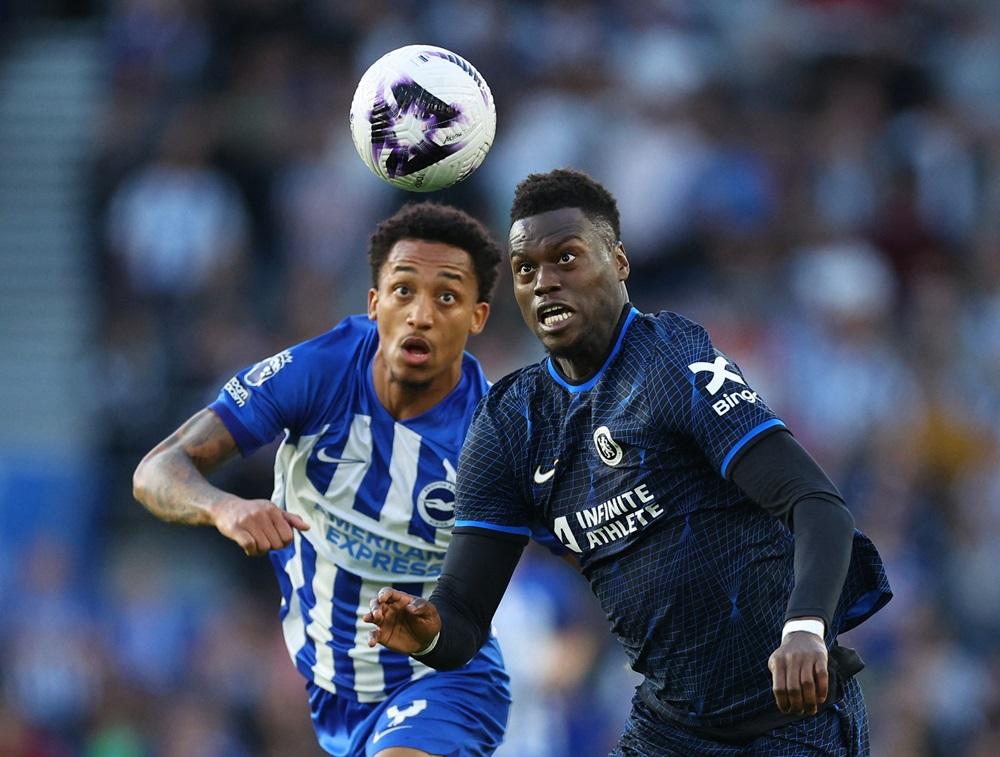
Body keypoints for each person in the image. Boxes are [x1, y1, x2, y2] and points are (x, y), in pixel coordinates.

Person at [365, 169, 892, 756]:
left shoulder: (671, 363)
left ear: (618, 262)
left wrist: (806, 629)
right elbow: (463, 616)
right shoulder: (510, 424)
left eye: (566, 258)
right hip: (670, 730)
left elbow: (817, 505)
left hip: (792, 720)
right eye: (525, 269)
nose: (545, 282)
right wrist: (428, 632)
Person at [133, 202, 513, 757]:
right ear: (374, 303)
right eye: (403, 291)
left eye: (447, 297)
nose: (420, 314)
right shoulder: (320, 371)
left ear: (477, 317)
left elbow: (578, 545)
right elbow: (156, 470)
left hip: (445, 682)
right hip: (333, 692)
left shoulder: (492, 438)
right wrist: (223, 508)